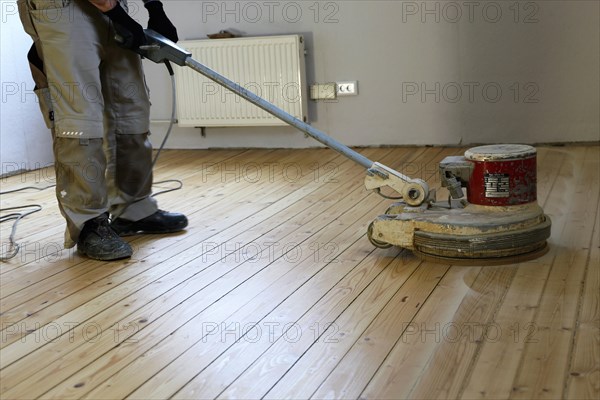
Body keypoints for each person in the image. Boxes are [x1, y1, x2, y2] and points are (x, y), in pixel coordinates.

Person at [18, 0, 187, 261]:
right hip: (62, 10)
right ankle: (89, 224)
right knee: (80, 118)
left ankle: (133, 209)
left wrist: (155, 8)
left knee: (131, 109)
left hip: (111, 7)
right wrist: (116, 12)